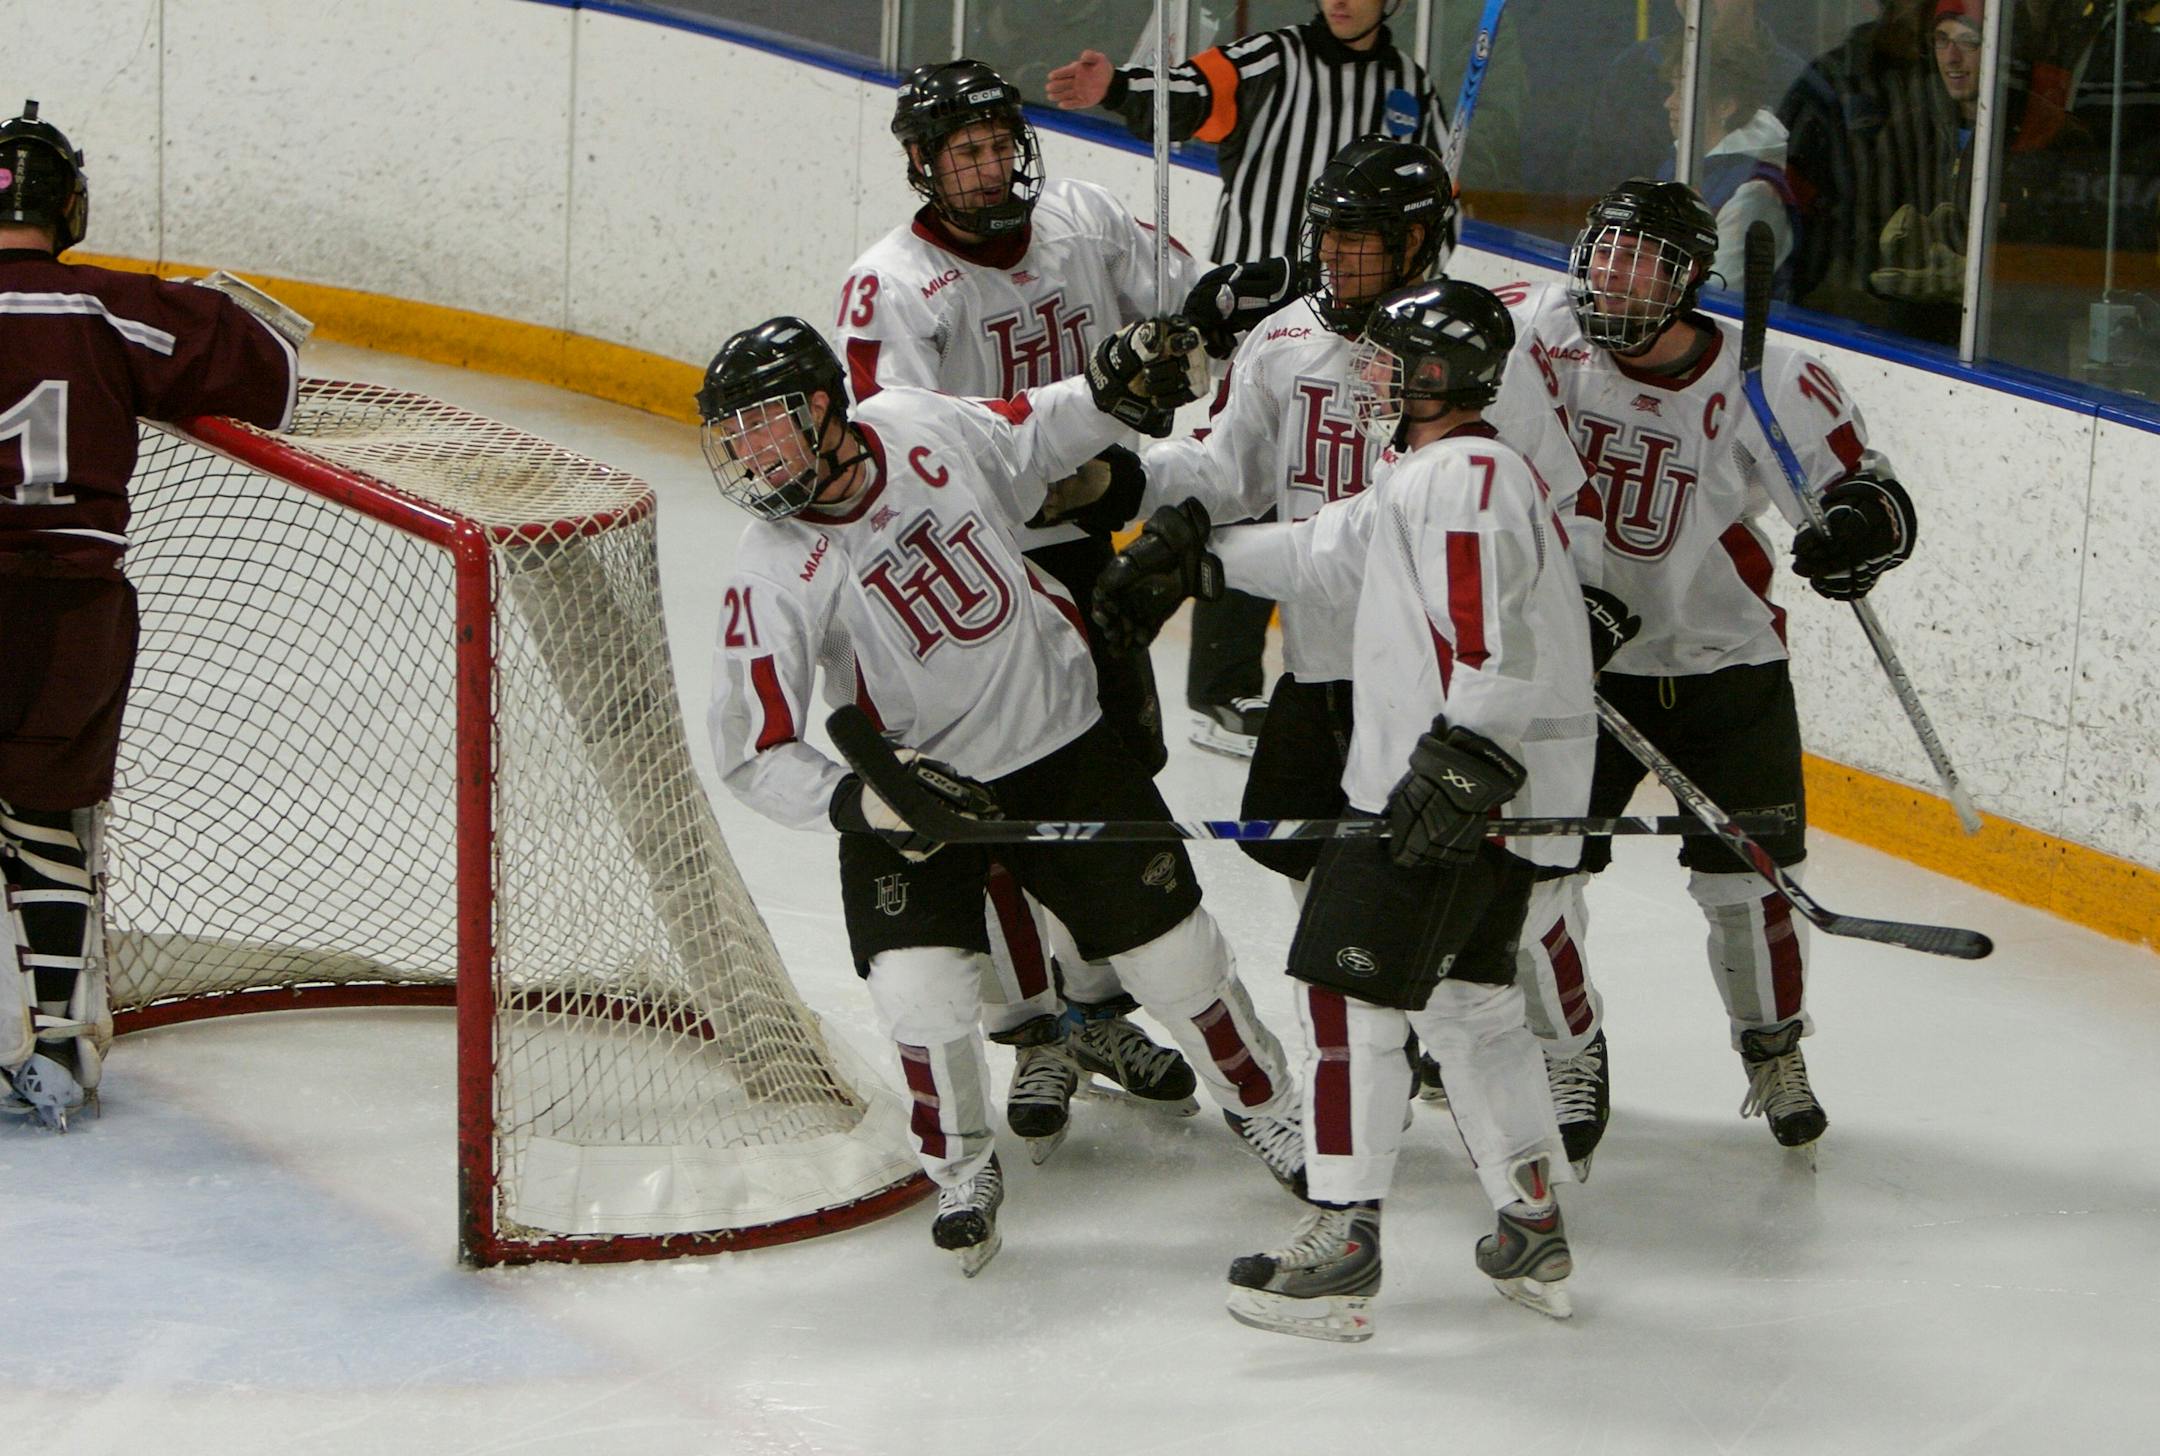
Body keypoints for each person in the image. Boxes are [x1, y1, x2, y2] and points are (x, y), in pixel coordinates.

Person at [698, 314, 1307, 1275]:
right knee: (919, 995)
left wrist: (1109, 384)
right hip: (918, 793)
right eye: (733, 438)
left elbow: (1031, 435)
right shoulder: (769, 567)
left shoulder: (913, 422)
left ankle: (1268, 1106)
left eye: (763, 426)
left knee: (1177, 958)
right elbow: (750, 749)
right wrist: (864, 804)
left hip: (1058, 739)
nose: (747, 456)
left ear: (822, 408)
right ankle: (962, 1170)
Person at [1110, 134, 1620, 1180]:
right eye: (1329, 236)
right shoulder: (1285, 341)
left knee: (1526, 902)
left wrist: (1579, 621)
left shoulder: (1477, 363)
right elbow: (1231, 476)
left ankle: (1570, 1045)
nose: (1337, 257)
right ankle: (1398, 1030)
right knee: (1327, 879)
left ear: (1421, 242)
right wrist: (1130, 479)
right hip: (1329, 665)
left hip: (1453, 686)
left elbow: (1559, 503)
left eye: (1363, 239)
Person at [1095, 278, 1594, 1341]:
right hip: (1481, 798)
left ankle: (1344, 1235)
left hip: (1440, 797)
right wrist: (1195, 561)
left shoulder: (1464, 478)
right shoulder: (1439, 472)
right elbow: (1326, 551)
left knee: (1339, 1000)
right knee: (1472, 1009)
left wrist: (1459, 768)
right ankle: (1531, 1224)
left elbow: (1493, 645)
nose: (1371, 376)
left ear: (1441, 376)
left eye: (1391, 364)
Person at [832, 58, 1210, 1158]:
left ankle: (1093, 1009)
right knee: (990, 808)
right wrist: (1074, 480)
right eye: (967, 152)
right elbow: (901, 459)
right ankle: (1030, 1027)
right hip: (970, 579)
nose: (992, 167)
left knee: (1103, 784)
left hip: (1084, 559)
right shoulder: (892, 286)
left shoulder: (1084, 219)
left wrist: (1191, 345)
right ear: (923, 164)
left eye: (1001, 145)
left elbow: (1190, 314)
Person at [1506, 178, 1921, 1158]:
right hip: (1575, 666)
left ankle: (1773, 1049)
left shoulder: (1771, 381)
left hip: (1725, 665)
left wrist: (1857, 529)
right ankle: (1567, 1048)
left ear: (1689, 282)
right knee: (1534, 882)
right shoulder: (1535, 332)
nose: (1612, 279)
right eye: (1604, 256)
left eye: (1640, 265)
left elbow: (1870, 490)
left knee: (1752, 892)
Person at [1, 100, 301, 1131]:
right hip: (69, 610)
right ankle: (52, 1049)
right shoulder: (110, 306)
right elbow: (274, 372)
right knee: (47, 818)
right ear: (69, 209)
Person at [1047, 0, 1447, 758]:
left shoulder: (1410, 86)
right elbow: (1197, 92)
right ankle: (1225, 683)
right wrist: (1122, 89)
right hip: (1257, 310)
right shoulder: (1277, 57)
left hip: (1378, 325)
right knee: (1266, 475)